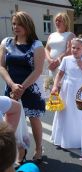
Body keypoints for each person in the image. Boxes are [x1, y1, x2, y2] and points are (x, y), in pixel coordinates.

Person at [0, 11, 45, 163]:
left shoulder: (36, 45)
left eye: (19, 24)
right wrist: (12, 85)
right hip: (11, 87)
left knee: (33, 118)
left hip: (30, 87)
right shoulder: (6, 43)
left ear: (28, 25)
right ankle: (18, 151)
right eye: (14, 23)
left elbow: (38, 70)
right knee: (11, 121)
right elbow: (1, 66)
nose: (16, 27)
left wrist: (22, 87)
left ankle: (39, 148)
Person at [51, 38, 82, 149]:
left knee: (78, 114)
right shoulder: (66, 59)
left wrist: (80, 62)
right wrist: (55, 86)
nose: (75, 50)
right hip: (67, 89)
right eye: (73, 47)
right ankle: (62, 138)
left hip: (80, 90)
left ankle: (77, 139)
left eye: (78, 48)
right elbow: (60, 74)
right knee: (65, 112)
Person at [44, 12, 75, 94]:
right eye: (56, 21)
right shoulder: (51, 35)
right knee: (52, 90)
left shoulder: (70, 35)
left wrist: (57, 61)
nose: (57, 22)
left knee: (62, 90)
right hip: (52, 66)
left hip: (62, 66)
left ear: (65, 22)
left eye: (59, 21)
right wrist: (50, 60)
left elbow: (69, 51)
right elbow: (46, 48)